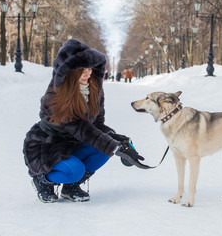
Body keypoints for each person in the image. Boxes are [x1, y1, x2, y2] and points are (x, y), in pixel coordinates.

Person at [23, 39, 145, 203]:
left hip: (74, 144)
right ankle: (42, 181)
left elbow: (97, 126)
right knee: (75, 170)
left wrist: (120, 141)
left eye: (89, 68)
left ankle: (70, 188)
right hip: (47, 147)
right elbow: (82, 129)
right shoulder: (55, 96)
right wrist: (113, 146)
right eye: (82, 69)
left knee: (103, 151)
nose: (88, 73)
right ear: (69, 71)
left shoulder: (94, 90)